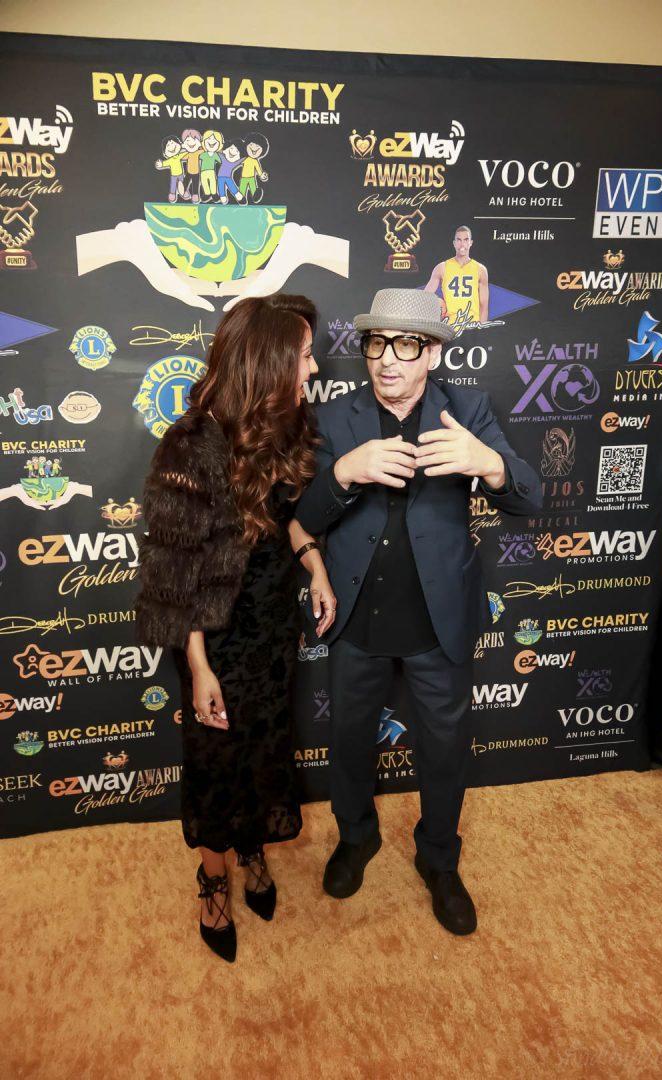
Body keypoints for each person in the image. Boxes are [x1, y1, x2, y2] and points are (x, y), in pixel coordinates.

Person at [295, 288, 542, 936]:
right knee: (349, 740)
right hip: (356, 616)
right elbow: (303, 518)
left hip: (439, 619)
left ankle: (438, 859)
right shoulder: (336, 417)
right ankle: (356, 838)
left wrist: (489, 465)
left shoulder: (467, 409)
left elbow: (529, 497)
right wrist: (343, 473)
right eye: (377, 344)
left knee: (444, 749)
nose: (387, 359)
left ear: (432, 353)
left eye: (406, 345)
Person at [134, 293, 336, 962]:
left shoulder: (283, 426)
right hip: (213, 641)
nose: (313, 369)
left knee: (263, 752)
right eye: (303, 356)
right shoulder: (190, 446)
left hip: (272, 630)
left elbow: (287, 517)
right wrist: (198, 667)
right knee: (216, 767)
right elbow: (172, 576)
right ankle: (213, 882)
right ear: (268, 361)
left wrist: (314, 565)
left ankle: (252, 849)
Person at [423, 225, 489, 330]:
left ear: (471, 242)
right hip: (449, 327)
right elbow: (424, 297)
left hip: (472, 326)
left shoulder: (480, 269)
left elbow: (484, 306)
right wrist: (437, 306)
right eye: (459, 240)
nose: (462, 244)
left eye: (466, 240)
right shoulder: (442, 268)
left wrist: (482, 331)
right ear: (454, 243)